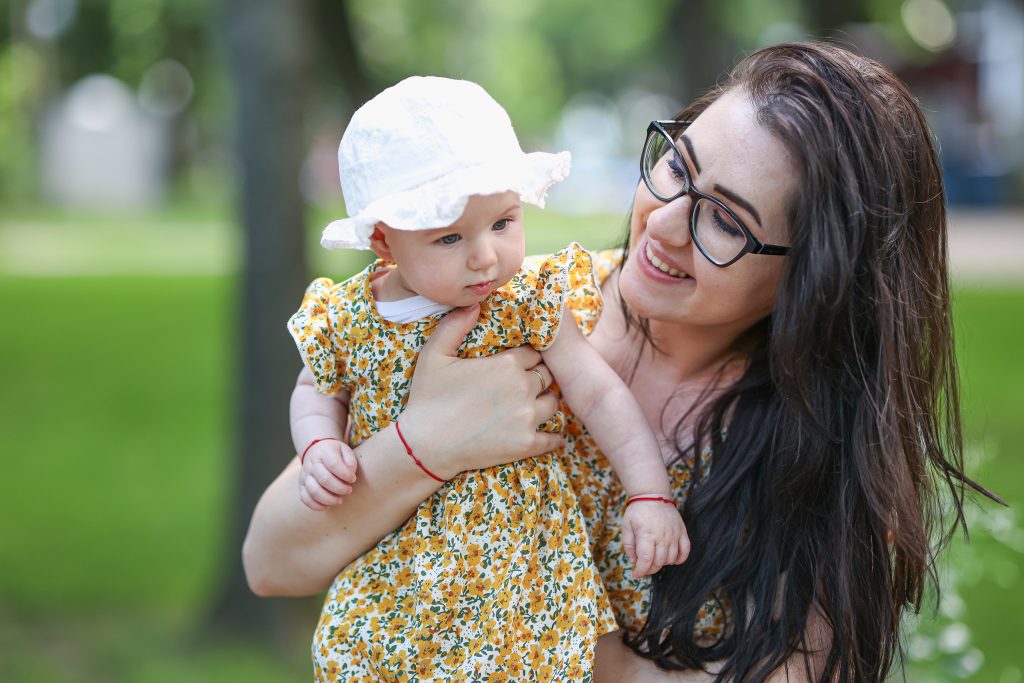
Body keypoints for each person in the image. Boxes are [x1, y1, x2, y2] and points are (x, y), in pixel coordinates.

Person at [244, 42, 996, 682]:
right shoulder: (507, 316)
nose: (661, 223)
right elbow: (272, 562)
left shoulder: (818, 453)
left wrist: (559, 644)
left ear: (817, 276)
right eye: (676, 167)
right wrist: (424, 443)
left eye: (724, 220)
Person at [284, 75, 688, 682]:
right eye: (449, 237)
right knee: (367, 656)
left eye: (502, 223)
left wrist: (649, 494)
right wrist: (318, 443)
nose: (485, 256)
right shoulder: (350, 317)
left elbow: (600, 392)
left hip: (520, 562)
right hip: (397, 559)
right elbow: (316, 389)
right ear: (384, 240)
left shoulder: (526, 300)